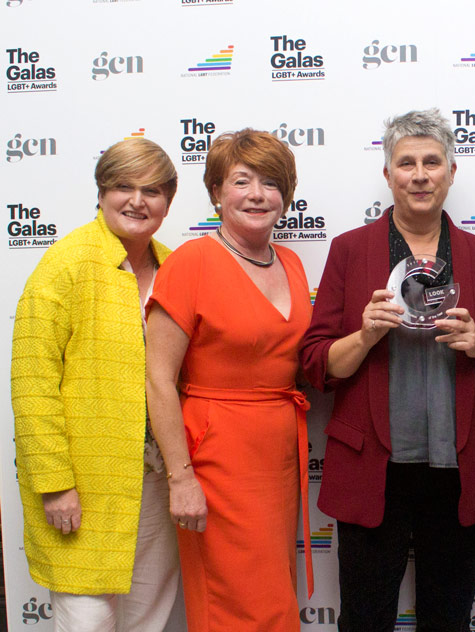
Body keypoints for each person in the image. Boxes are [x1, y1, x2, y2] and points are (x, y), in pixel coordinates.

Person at [299, 108, 475, 632]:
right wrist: (365, 334)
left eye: (431, 162)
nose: (419, 174)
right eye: (406, 163)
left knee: (448, 621)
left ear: (450, 172)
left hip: (459, 467)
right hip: (373, 467)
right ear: (388, 174)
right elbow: (314, 363)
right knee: (364, 620)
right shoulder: (350, 251)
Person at [145, 129, 313, 631]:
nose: (257, 194)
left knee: (273, 597)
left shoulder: (293, 262)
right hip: (216, 458)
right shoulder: (191, 262)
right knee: (235, 606)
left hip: (279, 457)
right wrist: (181, 478)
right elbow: (157, 377)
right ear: (217, 192)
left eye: (271, 182)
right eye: (241, 181)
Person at [11, 138, 182, 631]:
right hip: (84, 484)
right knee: (87, 618)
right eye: (122, 186)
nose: (137, 200)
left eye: (151, 189)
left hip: (155, 480)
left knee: (148, 616)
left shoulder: (175, 267)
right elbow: (32, 382)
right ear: (102, 192)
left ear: (168, 201)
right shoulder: (64, 265)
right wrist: (54, 485)